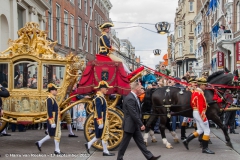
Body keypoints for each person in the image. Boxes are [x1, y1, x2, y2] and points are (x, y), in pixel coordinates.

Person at [117, 82, 161, 160]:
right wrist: (141, 124)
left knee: (141, 142)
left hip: (134, 125)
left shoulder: (134, 97)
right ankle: (119, 158)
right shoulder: (130, 98)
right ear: (136, 88)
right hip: (130, 125)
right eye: (140, 88)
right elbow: (133, 114)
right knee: (124, 143)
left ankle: (150, 157)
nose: (141, 89)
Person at [183, 77, 215, 154]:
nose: (205, 86)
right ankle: (205, 148)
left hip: (195, 112)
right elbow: (200, 107)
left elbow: (192, 103)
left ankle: (187, 140)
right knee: (207, 130)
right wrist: (203, 117)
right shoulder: (200, 93)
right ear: (200, 85)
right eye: (204, 85)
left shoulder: (195, 92)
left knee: (200, 130)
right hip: (200, 113)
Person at [85, 80, 115, 156]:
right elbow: (98, 111)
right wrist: (100, 122)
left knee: (99, 135)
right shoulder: (98, 98)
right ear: (102, 89)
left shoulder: (100, 97)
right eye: (106, 88)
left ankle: (89, 144)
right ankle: (105, 151)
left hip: (102, 119)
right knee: (104, 134)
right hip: (101, 119)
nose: (107, 90)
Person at [35, 83, 63, 154]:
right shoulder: (49, 99)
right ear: (51, 91)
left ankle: (39, 143)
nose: (56, 91)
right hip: (53, 119)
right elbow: (49, 111)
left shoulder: (52, 98)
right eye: (55, 90)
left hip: (55, 118)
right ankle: (57, 150)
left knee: (51, 134)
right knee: (57, 134)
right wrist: (52, 122)